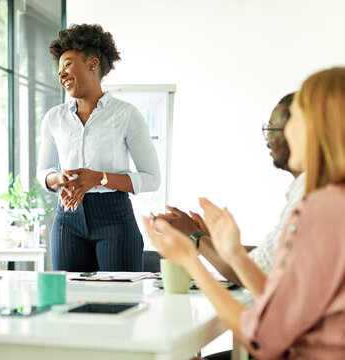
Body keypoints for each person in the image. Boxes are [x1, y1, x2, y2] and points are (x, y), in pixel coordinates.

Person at [145, 67, 345, 358]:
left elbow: (263, 337)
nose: (286, 131)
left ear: (321, 127)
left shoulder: (322, 207)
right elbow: (285, 303)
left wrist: (191, 260)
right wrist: (234, 254)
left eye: (296, 119)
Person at [37, 24, 160, 272]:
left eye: (68, 64)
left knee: (118, 302)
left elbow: (152, 179)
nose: (61, 75)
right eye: (59, 70)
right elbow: (43, 172)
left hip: (114, 218)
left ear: (93, 64)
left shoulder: (126, 115)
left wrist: (99, 178)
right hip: (67, 219)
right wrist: (57, 178)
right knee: (69, 304)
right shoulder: (53, 118)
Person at [157, 93, 304, 286]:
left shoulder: (313, 195)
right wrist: (212, 241)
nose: (268, 141)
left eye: (273, 130)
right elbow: (270, 257)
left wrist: (195, 238)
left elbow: (256, 271)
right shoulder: (304, 190)